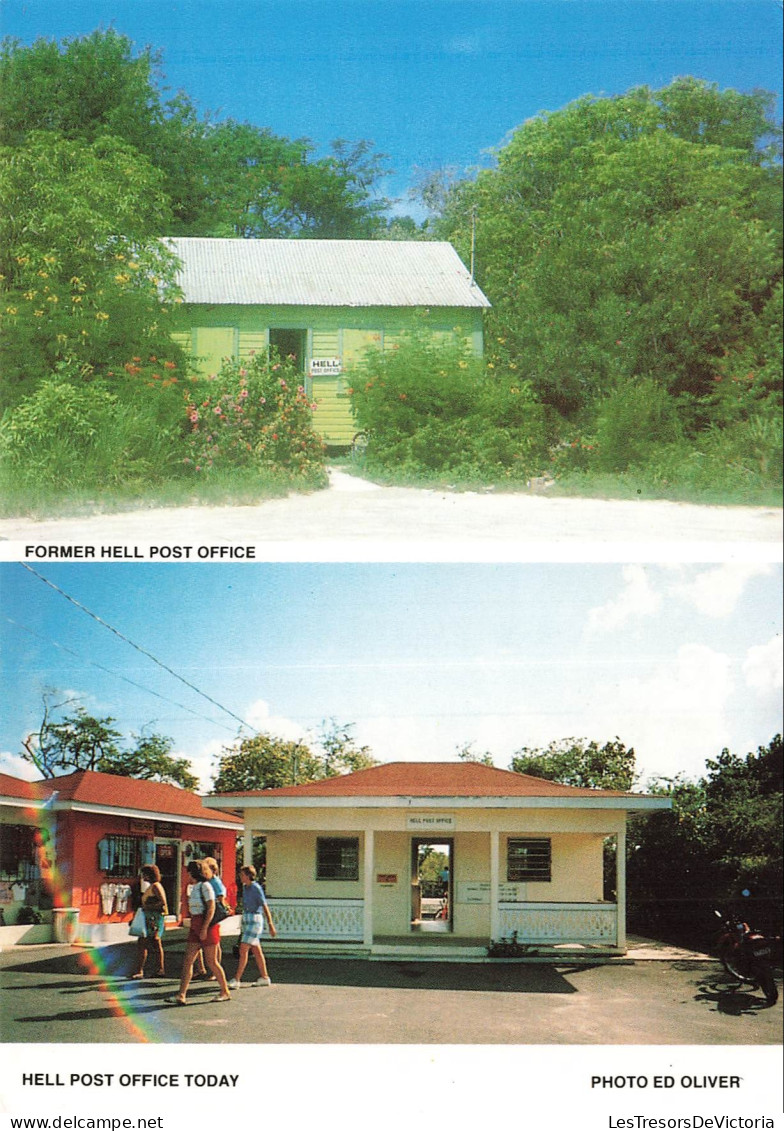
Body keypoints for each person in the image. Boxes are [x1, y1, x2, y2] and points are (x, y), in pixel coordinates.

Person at [167, 860, 231, 1005]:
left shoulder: (205, 886)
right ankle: (181, 994)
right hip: (196, 924)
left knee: (211, 961)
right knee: (188, 960)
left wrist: (204, 928)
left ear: (192, 873)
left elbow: (211, 908)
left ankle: (224, 991)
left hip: (206, 925)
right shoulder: (195, 887)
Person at [228, 864, 276, 988]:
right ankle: (265, 977)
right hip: (247, 919)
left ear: (249, 876)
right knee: (256, 950)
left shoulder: (256, 888)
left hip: (255, 920)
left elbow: (264, 906)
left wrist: (270, 924)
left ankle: (237, 979)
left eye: (242, 874)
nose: (240, 876)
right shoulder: (245, 888)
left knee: (243, 948)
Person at [130, 865, 168, 979]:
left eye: (144, 874)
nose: (142, 877)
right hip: (151, 918)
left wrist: (147, 907)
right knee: (153, 943)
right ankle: (159, 969)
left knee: (144, 944)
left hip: (153, 918)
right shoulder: (153, 886)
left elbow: (163, 903)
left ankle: (141, 970)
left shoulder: (155, 886)